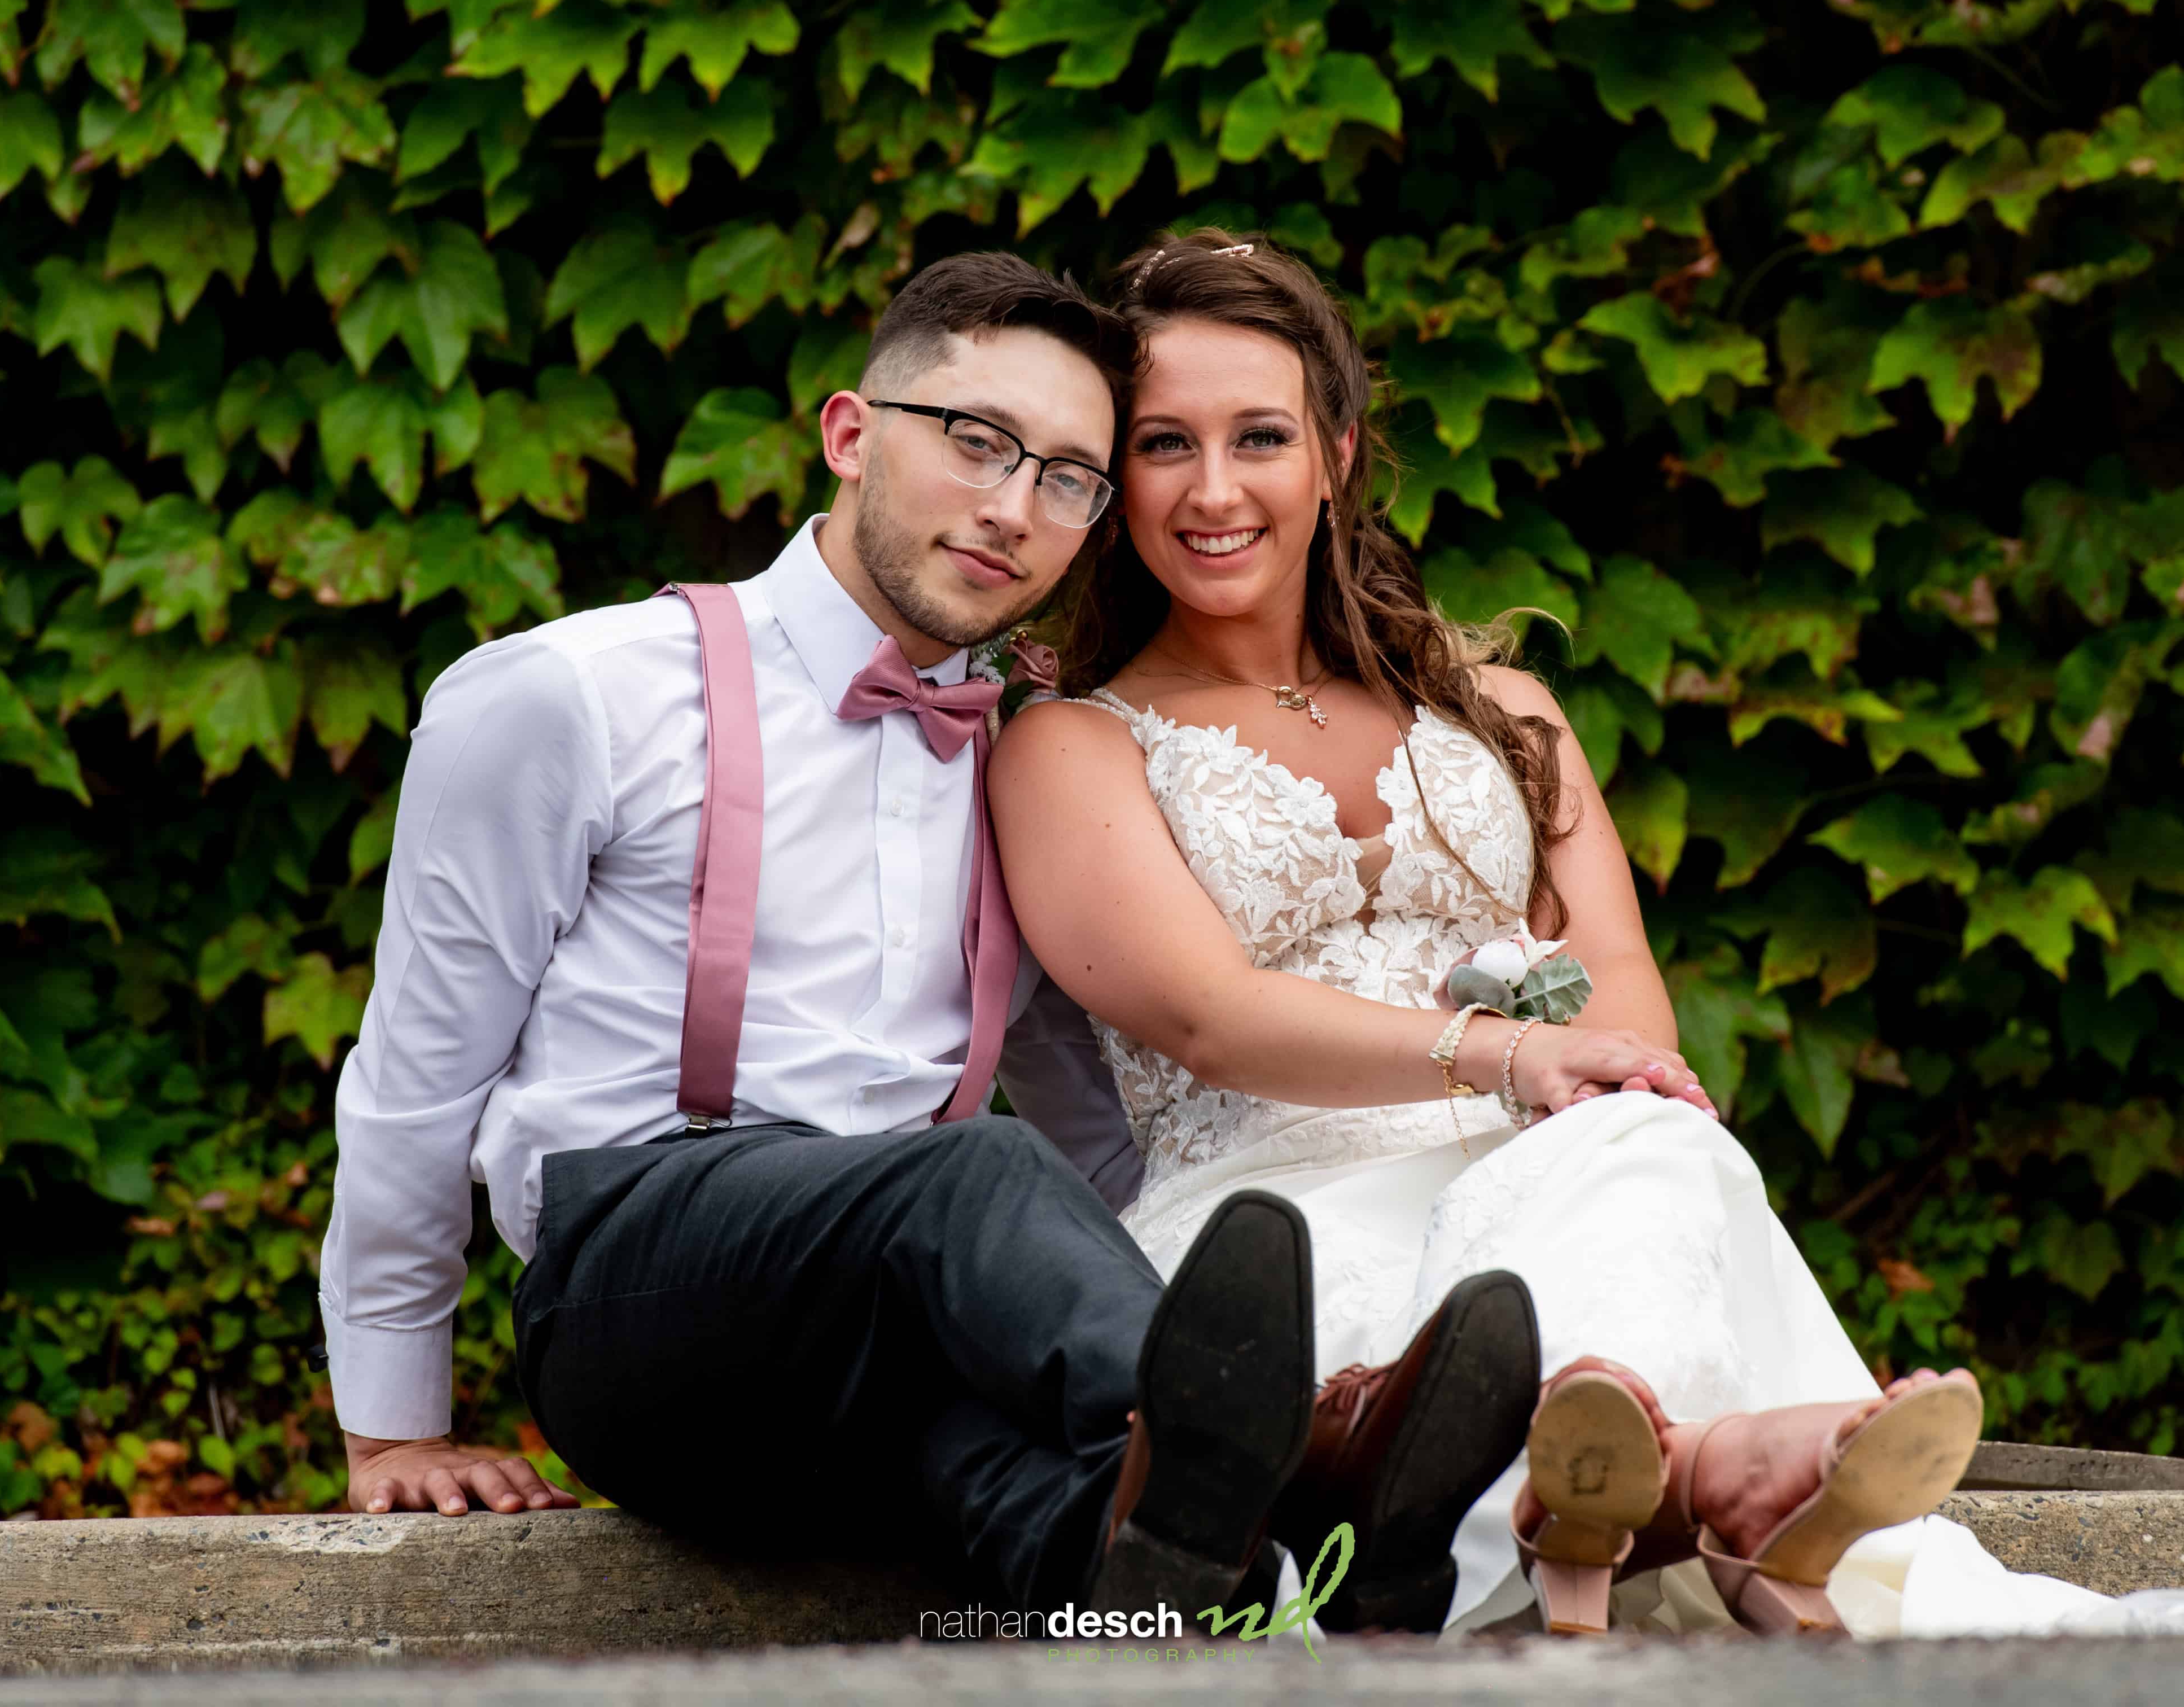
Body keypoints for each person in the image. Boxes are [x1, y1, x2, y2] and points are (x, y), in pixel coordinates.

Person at [313, 250, 1558, 1627]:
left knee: (1050, 1488)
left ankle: (1291, 1592)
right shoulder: (572, 694)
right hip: (640, 1298)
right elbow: (419, 1071)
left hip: (886, 1361)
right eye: (977, 444)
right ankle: (1315, 1452)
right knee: (967, 1174)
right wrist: (393, 1424)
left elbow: (1098, 1134)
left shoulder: (1028, 766)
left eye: (1070, 477)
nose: (1014, 508)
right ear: (850, 434)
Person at [987, 230, 1988, 1639]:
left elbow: (1626, 1005)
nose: (1213, 490)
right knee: (1623, 1146)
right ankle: (1715, 1484)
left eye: (1259, 435)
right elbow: (1205, 1011)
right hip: (1282, 1222)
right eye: (1163, 445)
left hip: (1568, 1185)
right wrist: (1502, 1053)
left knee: (1651, 1130)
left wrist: (1563, 1080)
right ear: (1114, 477)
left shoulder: (1500, 706)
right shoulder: (1069, 746)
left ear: (1336, 451)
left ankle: (1591, 1476)